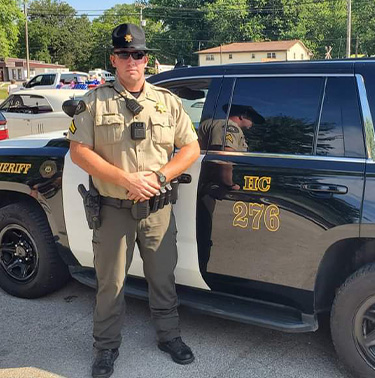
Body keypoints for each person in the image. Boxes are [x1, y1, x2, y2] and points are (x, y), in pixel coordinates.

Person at [67, 23, 200, 378]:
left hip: (157, 210)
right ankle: (106, 348)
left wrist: (158, 178)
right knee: (110, 283)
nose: (131, 61)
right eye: (124, 54)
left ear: (147, 59)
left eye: (138, 54)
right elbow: (79, 152)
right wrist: (125, 179)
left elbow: (191, 147)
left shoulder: (167, 103)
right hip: (113, 211)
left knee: (163, 277)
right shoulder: (94, 102)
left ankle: (169, 336)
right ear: (114, 59)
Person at [198, 104, 265, 152]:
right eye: (252, 119)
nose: (252, 123)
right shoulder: (229, 126)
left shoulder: (222, 124)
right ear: (243, 115)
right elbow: (226, 158)